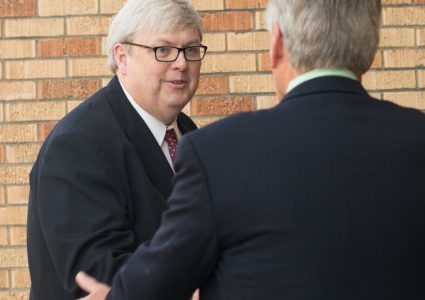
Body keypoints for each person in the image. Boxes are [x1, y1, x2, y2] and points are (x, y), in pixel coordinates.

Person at [76, 0, 425, 299]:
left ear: (277, 44)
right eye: (163, 50)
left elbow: (158, 281)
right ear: (369, 46)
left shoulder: (218, 152)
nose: (180, 63)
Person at [26, 0, 206, 299]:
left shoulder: (187, 133)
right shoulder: (78, 145)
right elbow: (99, 275)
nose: (181, 63)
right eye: (162, 50)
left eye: (190, 49)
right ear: (122, 57)